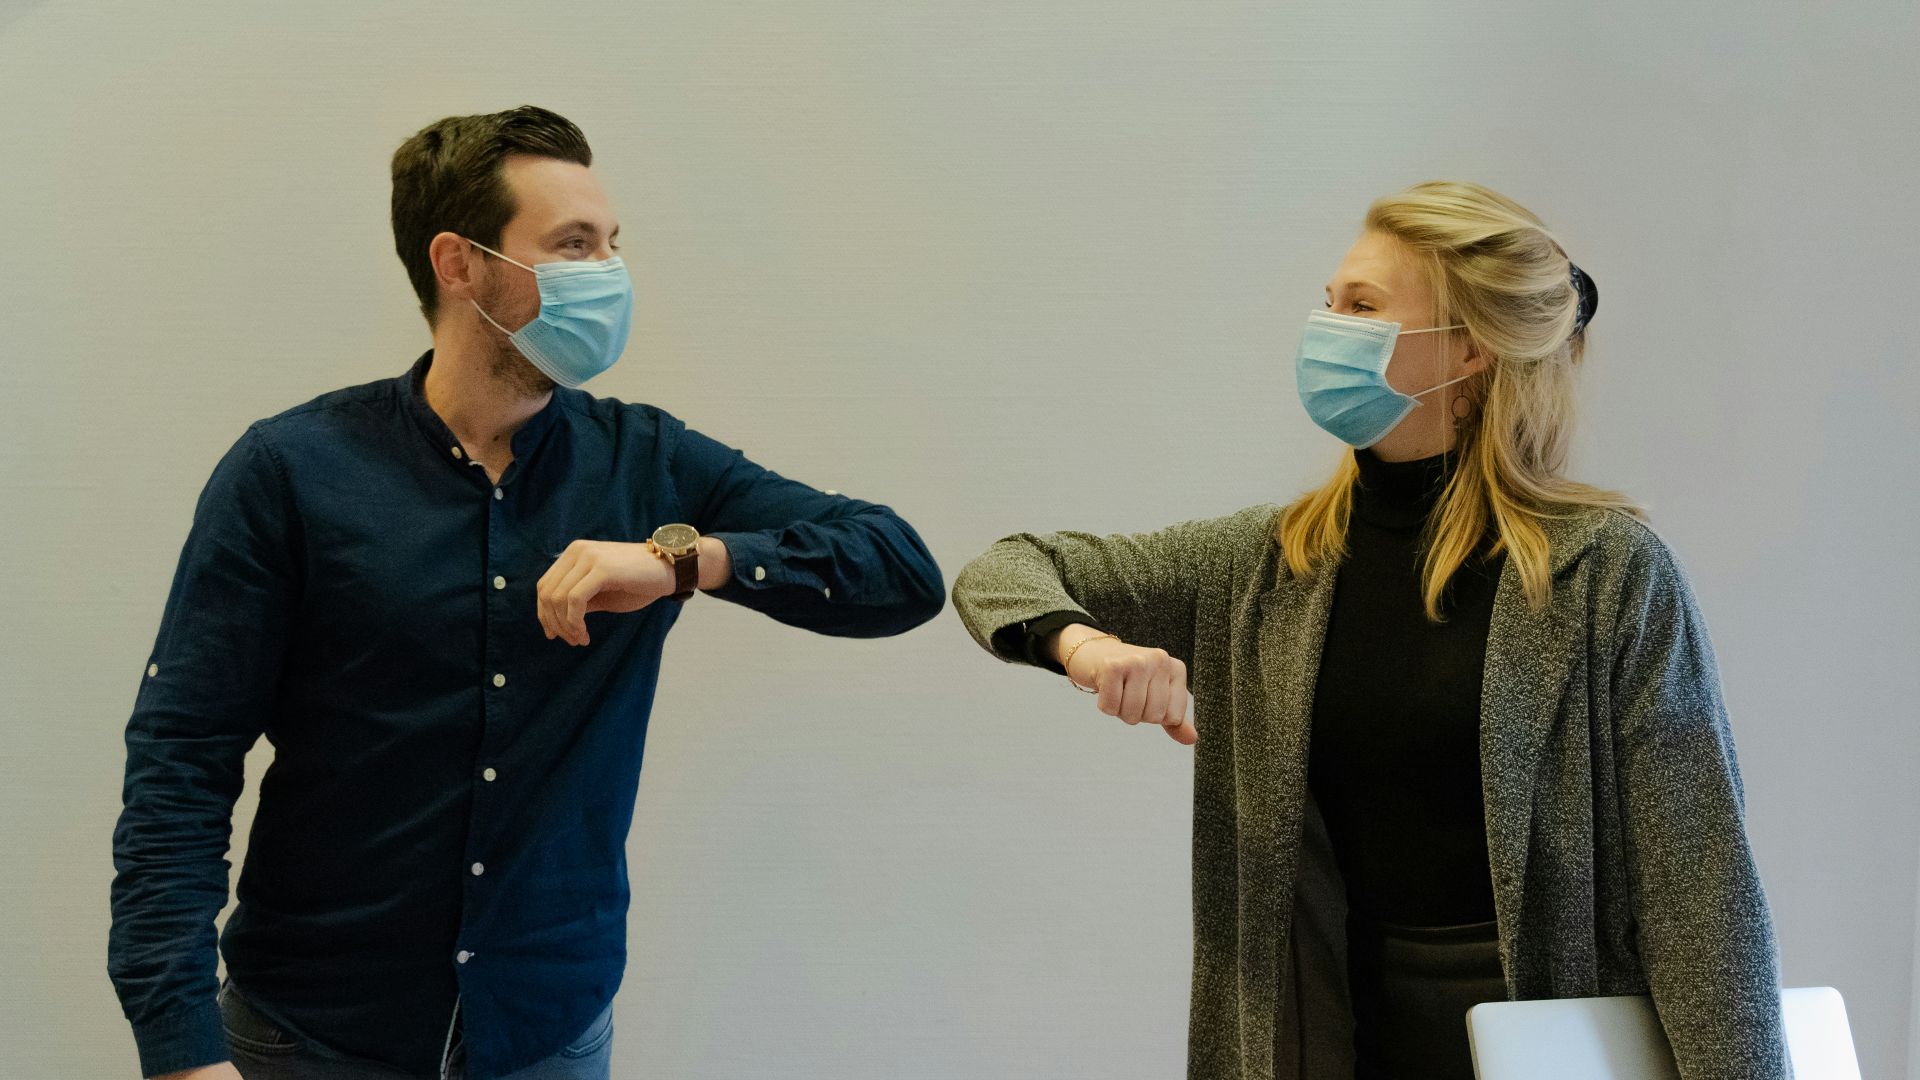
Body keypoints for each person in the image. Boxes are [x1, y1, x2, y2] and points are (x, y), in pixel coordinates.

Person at [108, 105, 945, 1080]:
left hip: (545, 1033)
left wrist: (685, 561)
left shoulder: (649, 464)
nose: (610, 275)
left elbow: (898, 569)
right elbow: (182, 761)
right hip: (312, 1034)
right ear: (459, 264)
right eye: (574, 245)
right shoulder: (289, 474)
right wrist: (178, 1050)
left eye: (613, 245)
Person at [950, 181, 1788, 1079]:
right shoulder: (1264, 564)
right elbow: (1006, 568)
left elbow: (1699, 895)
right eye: (1329, 304)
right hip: (1332, 1033)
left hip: (1544, 1036)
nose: (1327, 330)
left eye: (1362, 307)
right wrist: (1088, 647)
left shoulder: (1605, 575)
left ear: (1466, 350)